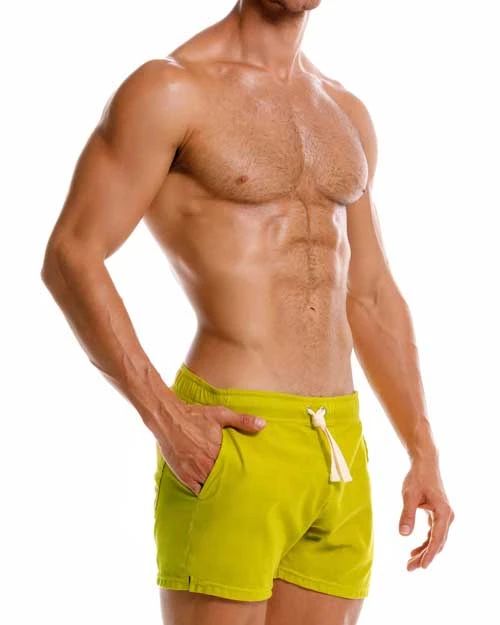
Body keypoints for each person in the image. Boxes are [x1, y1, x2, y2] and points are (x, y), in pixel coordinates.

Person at [41, 0, 455, 623]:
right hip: (234, 436)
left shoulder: (345, 112)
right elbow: (71, 255)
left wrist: (423, 448)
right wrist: (165, 416)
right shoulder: (171, 90)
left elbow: (370, 291)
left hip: (339, 446)